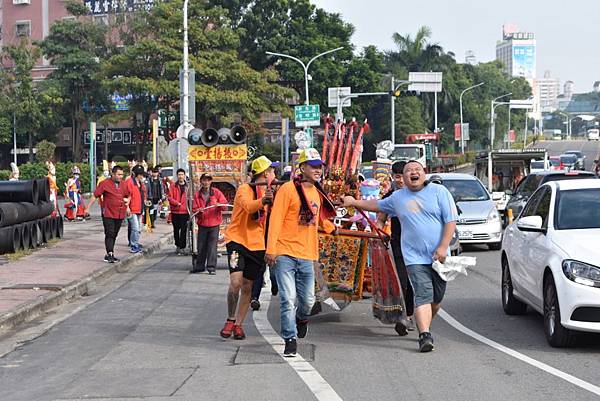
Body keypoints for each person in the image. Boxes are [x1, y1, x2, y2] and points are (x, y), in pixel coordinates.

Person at [341, 160, 457, 353]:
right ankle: (425, 335)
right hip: (413, 257)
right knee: (422, 294)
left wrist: (443, 246)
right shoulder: (397, 197)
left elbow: (450, 220)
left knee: (436, 299)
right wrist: (353, 202)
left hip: (439, 256)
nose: (413, 173)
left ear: (424, 173)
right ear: (402, 178)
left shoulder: (439, 192)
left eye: (417, 169)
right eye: (409, 171)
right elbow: (376, 205)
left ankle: (425, 322)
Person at [266, 148, 337, 357]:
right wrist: (271, 250)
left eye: (319, 166)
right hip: (284, 251)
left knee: (307, 301)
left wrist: (331, 228)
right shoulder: (287, 189)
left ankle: (302, 318)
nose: (318, 170)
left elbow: (319, 218)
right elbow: (276, 219)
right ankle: (290, 338)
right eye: (313, 166)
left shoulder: (318, 192)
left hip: (307, 253)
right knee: (288, 298)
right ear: (302, 168)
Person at [219, 156, 275, 339]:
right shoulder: (244, 189)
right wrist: (264, 201)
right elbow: (249, 207)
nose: (275, 174)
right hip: (237, 241)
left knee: (248, 286)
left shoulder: (271, 192)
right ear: (265, 174)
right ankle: (230, 318)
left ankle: (239, 324)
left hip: (257, 244)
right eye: (272, 171)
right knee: (235, 282)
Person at [376, 161, 415, 336]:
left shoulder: (418, 195)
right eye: (397, 176)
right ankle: (403, 317)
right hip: (397, 244)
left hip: (417, 246)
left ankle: (411, 314)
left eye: (402, 176)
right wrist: (379, 232)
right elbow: (380, 220)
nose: (400, 180)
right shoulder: (389, 198)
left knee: (415, 283)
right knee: (402, 283)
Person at [85, 165, 130, 263]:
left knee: (114, 233)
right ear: (113, 174)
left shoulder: (124, 184)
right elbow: (95, 195)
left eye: (122, 174)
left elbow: (128, 196)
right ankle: (110, 253)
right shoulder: (104, 183)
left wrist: (128, 207)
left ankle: (110, 252)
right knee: (109, 232)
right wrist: (88, 208)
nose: (120, 176)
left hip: (120, 213)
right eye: (118, 174)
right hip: (108, 213)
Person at [190, 173, 228, 274]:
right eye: (204, 180)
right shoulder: (197, 195)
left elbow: (225, 206)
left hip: (214, 224)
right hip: (202, 224)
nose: (206, 182)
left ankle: (211, 268)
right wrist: (199, 210)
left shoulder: (216, 193)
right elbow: (194, 209)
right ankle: (200, 266)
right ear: (201, 181)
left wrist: (218, 205)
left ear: (211, 182)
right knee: (201, 247)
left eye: (208, 180)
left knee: (212, 247)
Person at [125, 165, 147, 253]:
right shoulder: (129, 182)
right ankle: (133, 245)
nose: (141, 176)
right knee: (135, 228)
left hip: (139, 209)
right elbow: (125, 196)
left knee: (139, 229)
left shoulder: (141, 184)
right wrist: (127, 208)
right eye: (139, 174)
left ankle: (136, 243)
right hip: (132, 209)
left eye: (142, 174)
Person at [168, 169, 189, 255]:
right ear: (177, 176)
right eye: (179, 174)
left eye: (182, 174)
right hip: (175, 212)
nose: (180, 176)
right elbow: (169, 198)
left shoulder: (188, 186)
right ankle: (177, 246)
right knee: (176, 230)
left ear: (184, 175)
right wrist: (177, 203)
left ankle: (183, 247)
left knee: (184, 230)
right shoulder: (173, 186)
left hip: (184, 212)